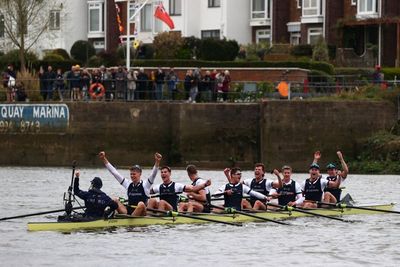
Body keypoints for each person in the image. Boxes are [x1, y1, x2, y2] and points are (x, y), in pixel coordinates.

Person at [99, 151, 162, 216]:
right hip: (128, 211)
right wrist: (104, 158)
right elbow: (114, 173)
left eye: (134, 174)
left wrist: (157, 162)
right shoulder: (128, 184)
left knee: (141, 204)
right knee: (114, 200)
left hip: (142, 212)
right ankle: (105, 215)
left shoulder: (145, 185)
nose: (132, 176)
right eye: (131, 174)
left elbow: (153, 174)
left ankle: (129, 221)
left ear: (140, 174)